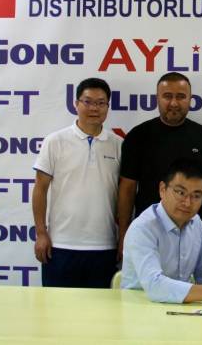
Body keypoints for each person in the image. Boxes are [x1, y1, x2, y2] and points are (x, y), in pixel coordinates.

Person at [118, 72, 202, 261]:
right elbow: (127, 188)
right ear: (157, 98)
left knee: (192, 280)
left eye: (181, 96)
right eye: (167, 96)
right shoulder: (138, 136)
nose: (174, 103)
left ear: (190, 99)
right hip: (147, 235)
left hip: (192, 233)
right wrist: (123, 234)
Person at [32, 77, 122, 288]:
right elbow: (40, 189)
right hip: (60, 246)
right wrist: (41, 233)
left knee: (102, 309)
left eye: (101, 103)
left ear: (108, 107)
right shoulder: (55, 141)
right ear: (76, 104)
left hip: (104, 246)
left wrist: (123, 238)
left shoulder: (118, 145)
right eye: (87, 102)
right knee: (57, 308)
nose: (94, 108)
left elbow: (125, 195)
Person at [121, 159, 202, 303]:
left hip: (180, 309)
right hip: (140, 307)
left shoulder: (196, 222)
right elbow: (155, 286)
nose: (187, 202)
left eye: (196, 196)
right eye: (180, 192)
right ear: (162, 189)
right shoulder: (143, 228)